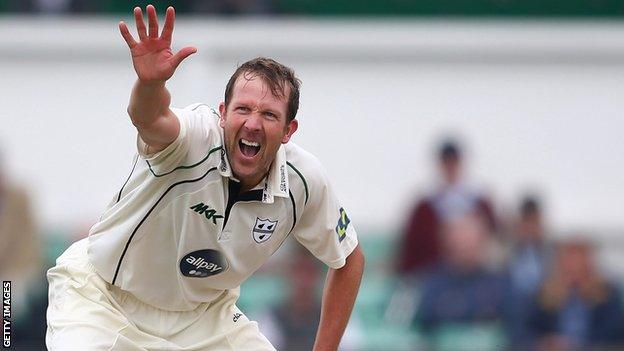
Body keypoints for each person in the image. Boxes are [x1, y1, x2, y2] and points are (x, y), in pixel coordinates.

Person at [45, 5, 364, 351]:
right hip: (102, 298)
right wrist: (149, 85)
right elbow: (150, 119)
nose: (253, 124)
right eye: (243, 109)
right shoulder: (195, 135)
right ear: (223, 113)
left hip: (204, 319)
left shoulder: (305, 180)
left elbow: (349, 259)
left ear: (289, 130)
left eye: (269, 115)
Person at [396, 139, 497, 276]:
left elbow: (495, 241)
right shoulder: (424, 208)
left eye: (453, 162)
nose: (450, 168)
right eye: (446, 163)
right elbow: (410, 251)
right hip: (434, 275)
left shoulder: (480, 203)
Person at [528, 238, 624, 351]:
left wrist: (577, 345)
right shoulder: (543, 293)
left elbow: (614, 333)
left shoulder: (607, 293)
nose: (575, 265)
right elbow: (529, 329)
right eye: (570, 259)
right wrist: (548, 342)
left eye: (579, 260)